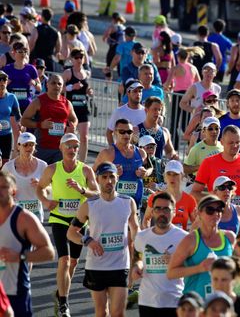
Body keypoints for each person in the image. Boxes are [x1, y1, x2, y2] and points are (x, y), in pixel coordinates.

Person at [36, 133, 99, 316]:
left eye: (75, 147)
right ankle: (64, 303)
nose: (72, 150)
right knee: (63, 259)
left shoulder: (86, 170)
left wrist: (81, 190)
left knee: (73, 262)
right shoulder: (52, 169)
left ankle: (60, 292)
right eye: (69, 146)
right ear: (61, 148)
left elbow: (96, 193)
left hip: (79, 221)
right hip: (58, 219)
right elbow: (40, 187)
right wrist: (46, 202)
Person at [67, 162, 139, 317]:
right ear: (98, 180)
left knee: (118, 313)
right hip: (96, 266)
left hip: (120, 265)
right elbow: (71, 233)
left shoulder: (128, 202)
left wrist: (135, 262)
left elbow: (135, 233)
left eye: (112, 177)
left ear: (117, 178)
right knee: (101, 312)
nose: (109, 181)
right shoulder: (89, 205)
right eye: (104, 177)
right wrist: (88, 241)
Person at [0, 170, 54, 317]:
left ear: (14, 191)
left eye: (4, 187)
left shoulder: (24, 218)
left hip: (15, 293)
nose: (0, 191)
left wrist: (20, 256)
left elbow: (49, 252)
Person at [167, 195, 236, 298]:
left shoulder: (229, 237)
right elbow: (171, 273)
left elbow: (237, 269)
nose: (216, 214)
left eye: (219, 210)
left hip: (222, 304)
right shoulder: (190, 240)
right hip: (196, 306)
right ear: (199, 213)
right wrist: (199, 268)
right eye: (210, 210)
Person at [132, 191, 188, 316]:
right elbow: (138, 256)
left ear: (174, 212)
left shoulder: (184, 238)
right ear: (152, 212)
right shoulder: (142, 237)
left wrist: (177, 261)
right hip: (147, 302)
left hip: (175, 301)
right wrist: (137, 266)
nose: (162, 213)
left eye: (166, 209)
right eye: (158, 209)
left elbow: (193, 267)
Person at [191, 125, 240, 220]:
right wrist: (215, 199)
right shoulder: (209, 162)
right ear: (222, 142)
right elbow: (194, 192)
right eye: (230, 143)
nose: (235, 146)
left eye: (238, 142)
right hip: (216, 220)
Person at [21, 74, 77, 164]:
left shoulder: (67, 103)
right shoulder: (38, 101)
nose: (56, 86)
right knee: (41, 176)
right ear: (47, 84)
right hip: (42, 147)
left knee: (57, 176)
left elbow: (74, 119)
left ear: (62, 86)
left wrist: (72, 126)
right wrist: (40, 124)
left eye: (59, 84)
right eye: (53, 83)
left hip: (61, 147)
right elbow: (23, 120)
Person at [95, 119, 147, 209]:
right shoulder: (107, 153)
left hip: (135, 205)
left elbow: (149, 170)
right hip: (113, 205)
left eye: (129, 132)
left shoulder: (141, 153)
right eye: (122, 131)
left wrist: (144, 173)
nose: (126, 135)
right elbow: (92, 175)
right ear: (115, 132)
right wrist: (111, 174)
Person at [3, 133, 47, 223]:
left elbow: (50, 191)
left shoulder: (43, 165)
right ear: (18, 146)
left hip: (36, 215)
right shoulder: (8, 167)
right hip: (15, 215)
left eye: (31, 145)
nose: (28, 148)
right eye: (25, 145)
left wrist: (41, 186)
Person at [142, 160, 196, 231]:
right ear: (164, 176)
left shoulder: (190, 200)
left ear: (182, 176)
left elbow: (196, 224)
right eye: (169, 174)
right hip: (160, 241)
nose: (172, 177)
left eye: (175, 174)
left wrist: (189, 238)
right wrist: (149, 236)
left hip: (181, 241)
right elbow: (146, 219)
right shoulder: (155, 198)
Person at [62, 48, 93, 162]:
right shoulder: (68, 72)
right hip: (71, 109)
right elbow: (59, 88)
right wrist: (71, 87)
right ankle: (66, 160)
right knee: (69, 137)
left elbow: (87, 88)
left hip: (83, 108)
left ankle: (82, 163)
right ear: (72, 59)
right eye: (77, 57)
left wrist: (89, 92)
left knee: (84, 138)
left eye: (82, 57)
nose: (79, 59)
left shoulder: (86, 73)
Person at [106, 80, 146, 145]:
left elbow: (152, 131)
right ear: (128, 93)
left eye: (140, 91)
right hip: (123, 151)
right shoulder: (119, 111)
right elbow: (109, 132)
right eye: (135, 91)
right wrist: (113, 149)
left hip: (141, 152)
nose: (138, 94)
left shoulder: (146, 111)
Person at [4, 42, 40, 114]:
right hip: (10, 103)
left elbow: (39, 88)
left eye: (25, 51)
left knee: (24, 124)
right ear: (13, 52)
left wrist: (32, 82)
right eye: (20, 51)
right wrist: (8, 81)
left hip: (26, 104)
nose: (23, 54)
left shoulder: (31, 68)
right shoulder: (7, 68)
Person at [0, 70, 20, 164]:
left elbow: (18, 116)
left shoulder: (12, 97)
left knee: (6, 162)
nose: (2, 82)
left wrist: (21, 124)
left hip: (7, 134)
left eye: (4, 79)